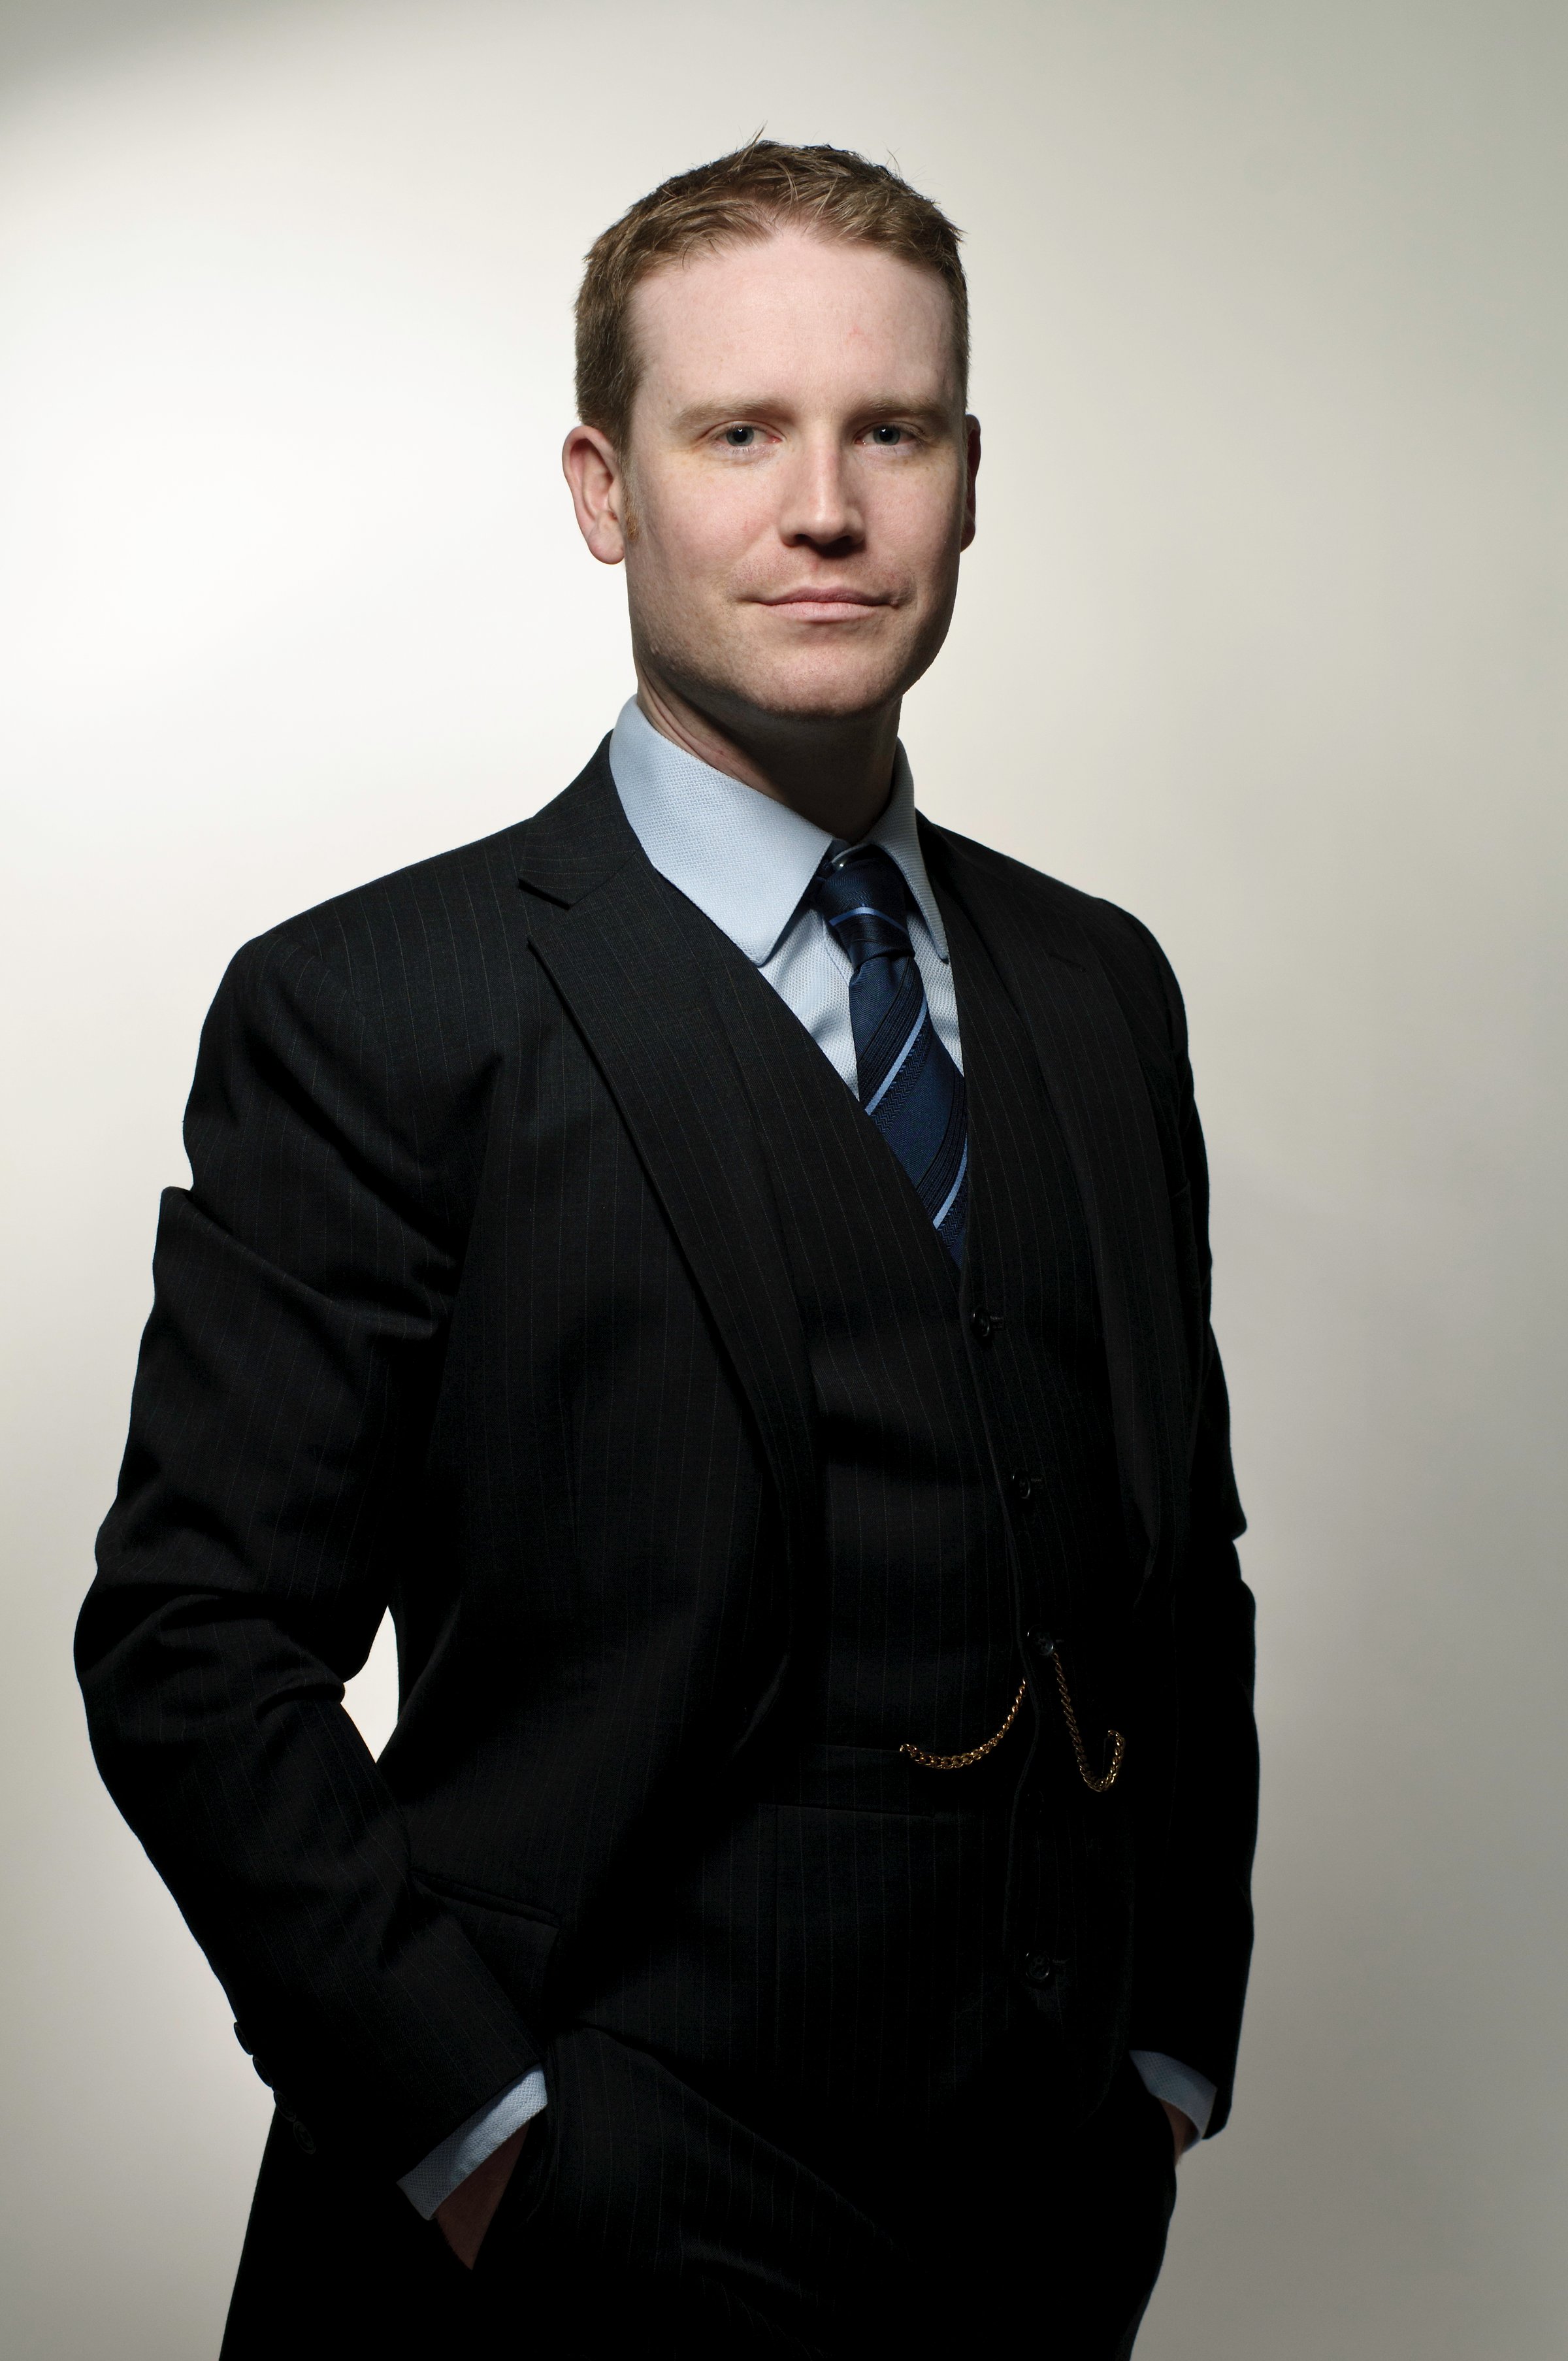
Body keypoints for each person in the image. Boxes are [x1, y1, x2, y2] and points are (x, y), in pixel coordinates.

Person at [77, 140, 1257, 2358]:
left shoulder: (1102, 989)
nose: (826, 506)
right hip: (558, 2252)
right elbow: (193, 1644)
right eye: (740, 432)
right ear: (605, 489)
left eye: (888, 430)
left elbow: (1178, 1562)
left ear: (970, 480)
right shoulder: (377, 1009)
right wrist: (483, 2143)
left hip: (1033, 2239)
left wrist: (1167, 2063)